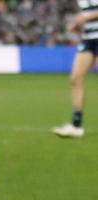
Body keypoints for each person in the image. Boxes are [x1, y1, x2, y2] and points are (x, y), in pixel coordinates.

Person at [53, 0, 98, 138]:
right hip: (89, 40)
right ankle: (76, 125)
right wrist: (76, 25)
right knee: (76, 78)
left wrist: (83, 18)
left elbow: (87, 15)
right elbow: (86, 16)